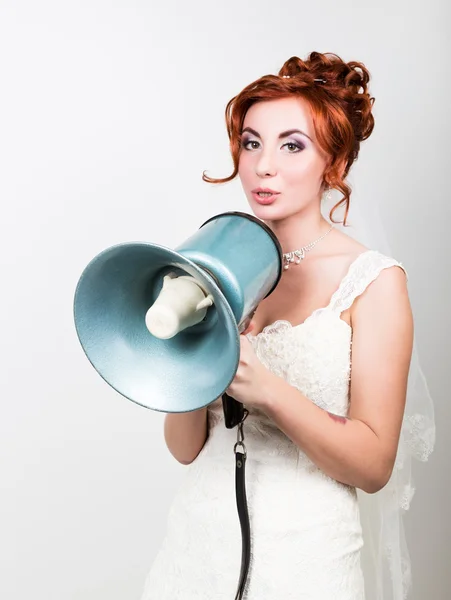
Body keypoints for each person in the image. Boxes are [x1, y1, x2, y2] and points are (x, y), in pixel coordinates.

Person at [139, 52, 435, 600]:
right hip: (192, 553)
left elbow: (373, 467)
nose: (262, 166)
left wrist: (269, 391)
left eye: (291, 145)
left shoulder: (372, 282)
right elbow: (185, 448)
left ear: (334, 164)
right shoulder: (214, 263)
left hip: (307, 563)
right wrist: (191, 349)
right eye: (251, 143)